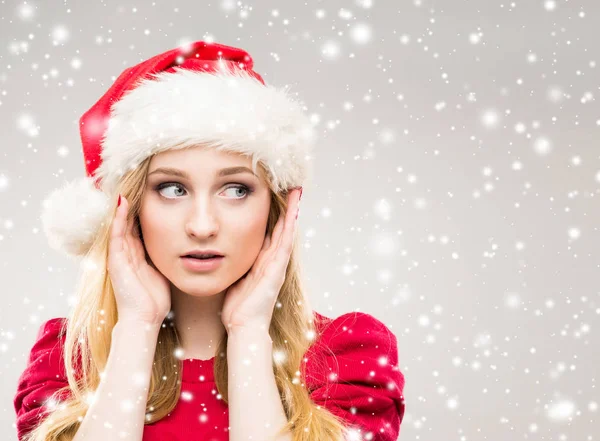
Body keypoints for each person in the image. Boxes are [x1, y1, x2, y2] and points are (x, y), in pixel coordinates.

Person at [13, 41, 406, 441]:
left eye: (235, 189)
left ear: (276, 208)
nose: (202, 225)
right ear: (127, 210)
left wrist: (249, 332)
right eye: (171, 188)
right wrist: (137, 325)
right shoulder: (67, 363)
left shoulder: (344, 359)